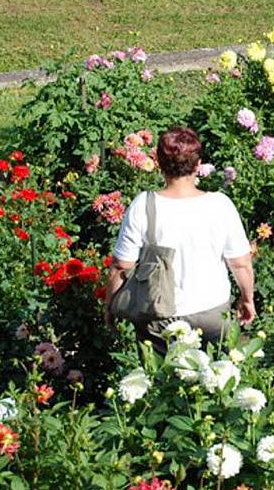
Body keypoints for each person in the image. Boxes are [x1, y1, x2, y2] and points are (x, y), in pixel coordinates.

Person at [104, 126, 255, 353]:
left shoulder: (144, 204)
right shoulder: (220, 205)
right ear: (197, 165)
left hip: (161, 317)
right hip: (213, 314)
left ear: (159, 163)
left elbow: (120, 266)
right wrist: (247, 299)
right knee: (215, 379)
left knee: (161, 382)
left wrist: (110, 305)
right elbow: (241, 263)